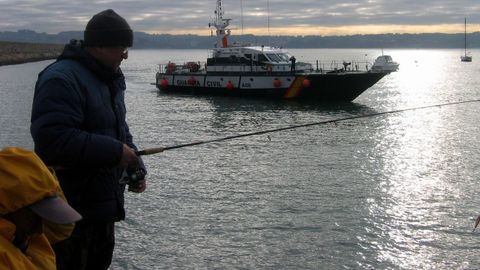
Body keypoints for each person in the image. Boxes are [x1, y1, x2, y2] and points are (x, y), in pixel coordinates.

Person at [30, 9, 147, 270]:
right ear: (100, 46)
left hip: (102, 208)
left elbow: (119, 128)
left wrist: (134, 162)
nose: (125, 55)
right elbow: (54, 140)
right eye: (121, 47)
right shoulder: (60, 78)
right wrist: (118, 152)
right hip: (69, 213)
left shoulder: (109, 77)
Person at [0, 147, 82, 270]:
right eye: (31, 217)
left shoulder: (23, 235)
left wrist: (45, 181)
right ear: (5, 208)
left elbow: (62, 228)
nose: (39, 230)